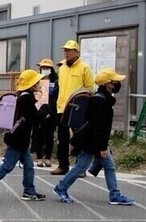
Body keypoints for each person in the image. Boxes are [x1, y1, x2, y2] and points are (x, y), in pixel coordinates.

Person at [53, 68, 134, 205]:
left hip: (92, 141)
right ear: (108, 84)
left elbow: (101, 128)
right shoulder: (100, 101)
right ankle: (61, 188)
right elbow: (98, 127)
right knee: (83, 167)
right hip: (92, 142)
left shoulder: (103, 99)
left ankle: (114, 194)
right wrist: (102, 147)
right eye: (115, 82)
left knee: (104, 166)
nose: (117, 84)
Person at [0, 69, 46, 201]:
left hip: (19, 138)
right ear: (31, 84)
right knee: (8, 166)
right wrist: (43, 108)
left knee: (28, 165)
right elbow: (34, 118)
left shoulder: (23, 96)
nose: (39, 83)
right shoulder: (26, 98)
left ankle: (29, 191)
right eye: (36, 81)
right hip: (17, 139)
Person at [51, 40, 94, 175]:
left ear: (76, 52)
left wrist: (83, 106)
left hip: (77, 109)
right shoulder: (62, 68)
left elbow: (89, 89)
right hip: (61, 108)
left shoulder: (84, 68)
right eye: (65, 50)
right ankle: (63, 166)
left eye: (69, 50)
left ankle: (80, 168)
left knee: (79, 138)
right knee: (62, 138)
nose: (66, 52)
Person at [31, 59, 58, 168]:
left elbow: (55, 98)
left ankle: (48, 157)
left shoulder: (55, 82)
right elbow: (36, 97)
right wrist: (39, 112)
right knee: (38, 135)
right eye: (43, 68)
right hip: (39, 112)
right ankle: (38, 157)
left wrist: (50, 112)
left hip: (51, 112)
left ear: (51, 69)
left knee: (49, 136)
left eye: (47, 68)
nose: (45, 70)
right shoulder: (37, 81)